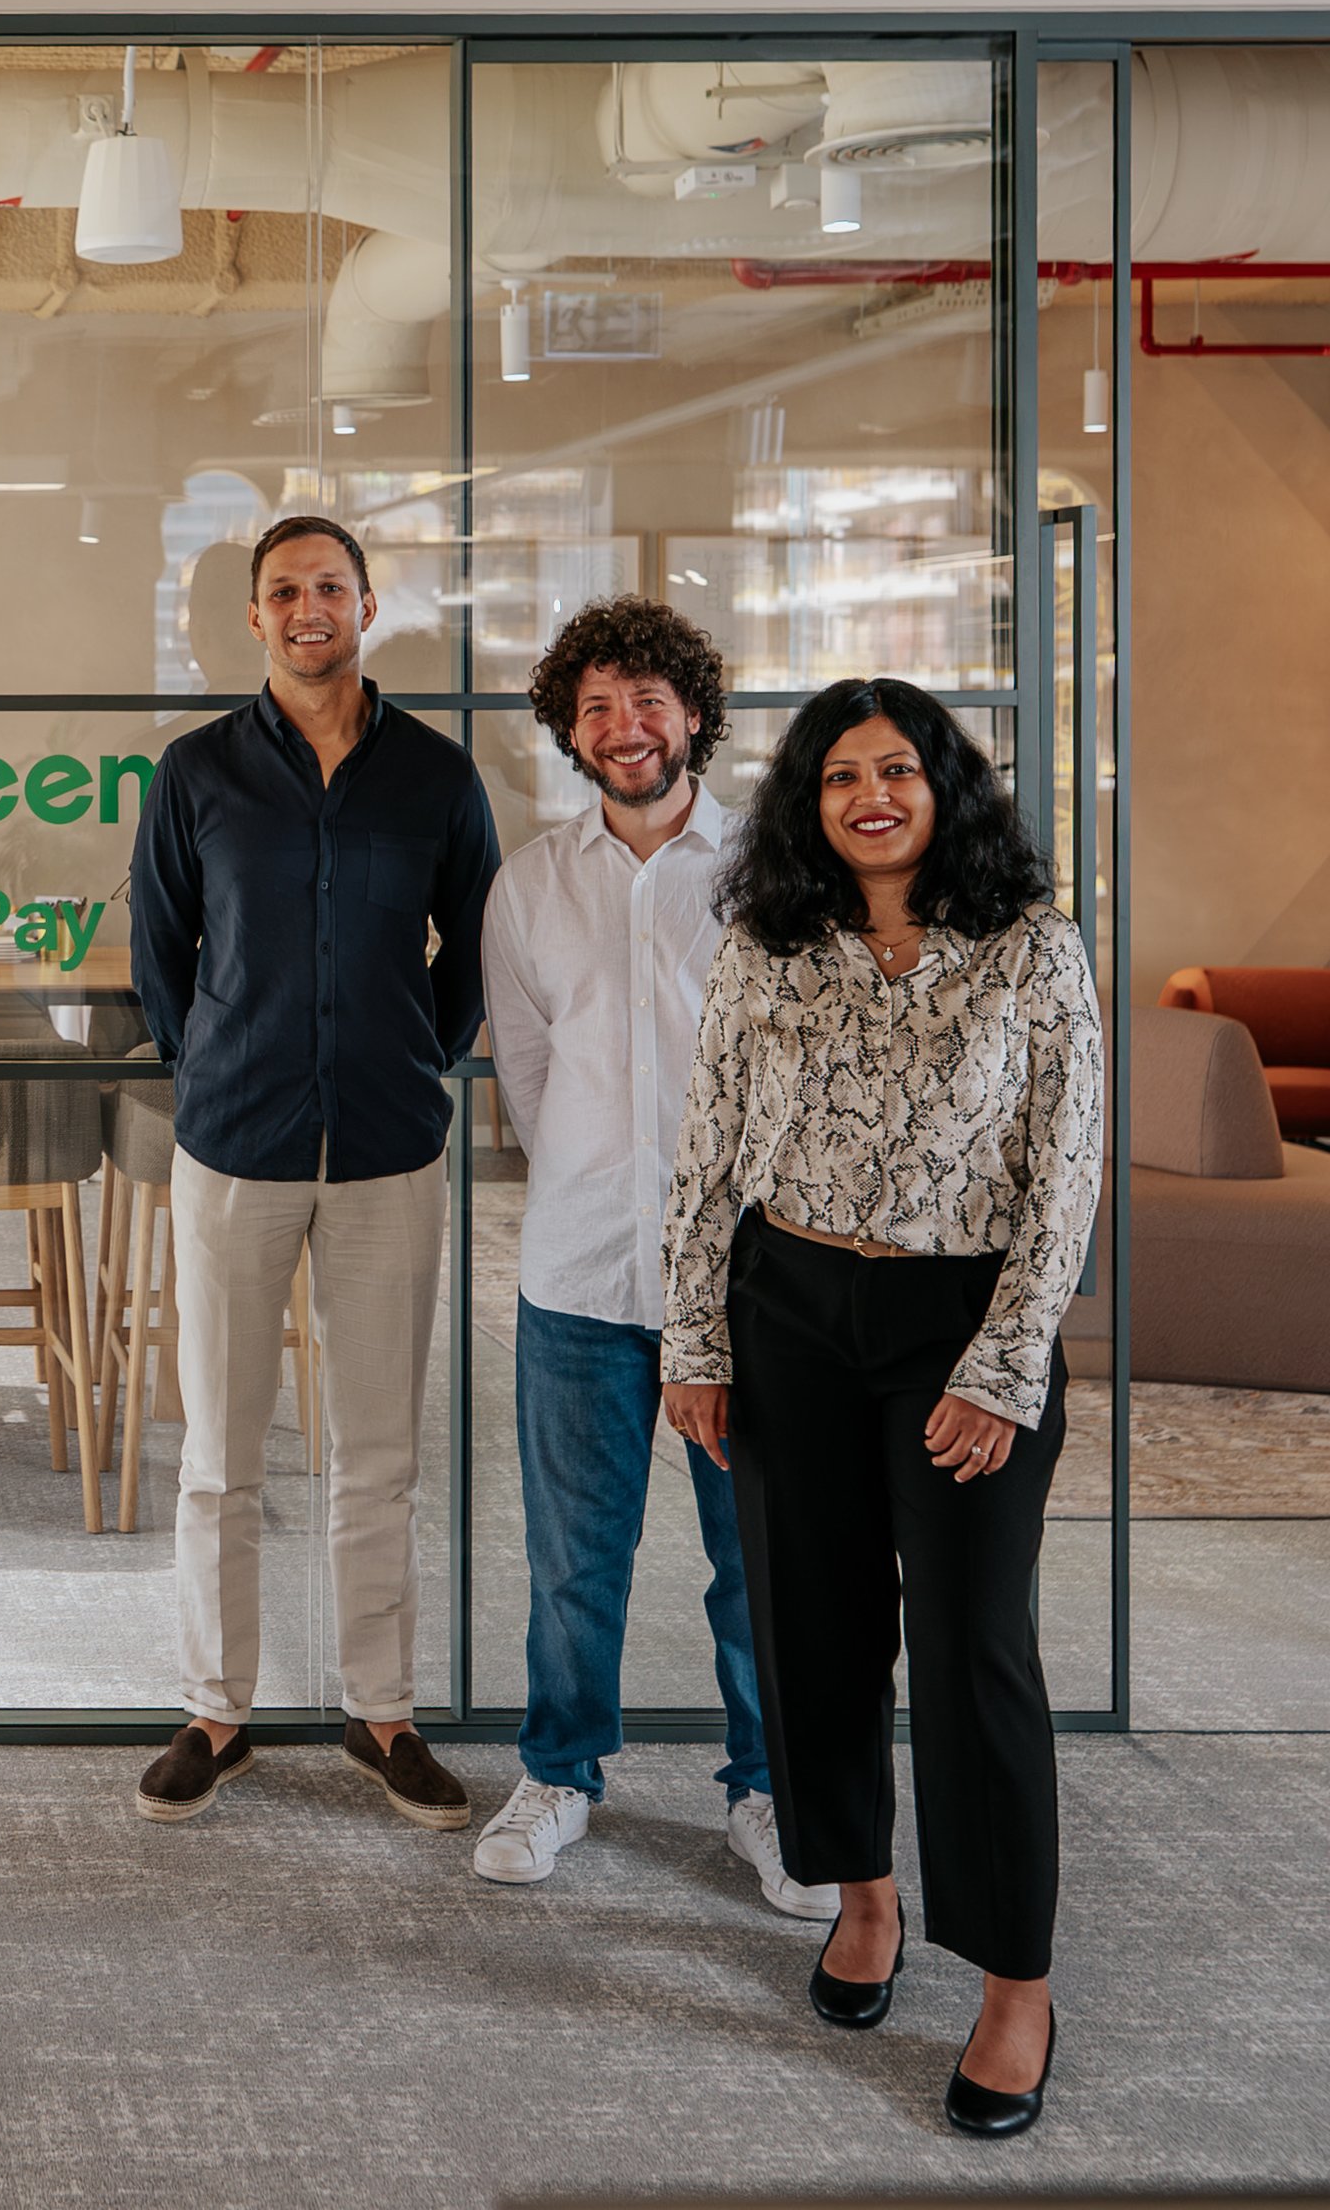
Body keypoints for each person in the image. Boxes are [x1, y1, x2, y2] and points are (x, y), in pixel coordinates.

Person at [657, 678, 1104, 2142]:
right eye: (840, 773)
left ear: (944, 786)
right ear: (808, 801)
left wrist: (1003, 1362)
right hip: (790, 1311)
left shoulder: (1032, 951)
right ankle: (861, 1899)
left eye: (898, 768)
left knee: (977, 1649)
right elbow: (708, 1157)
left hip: (958, 1321)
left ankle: (1014, 1983)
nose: (871, 794)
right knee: (812, 1624)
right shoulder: (764, 949)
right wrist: (698, 1340)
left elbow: (1068, 1172)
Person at [125, 514, 501, 1826]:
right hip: (235, 1145)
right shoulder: (197, 775)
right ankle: (216, 1710)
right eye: (284, 590)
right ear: (253, 617)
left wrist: (410, 1056)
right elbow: (160, 956)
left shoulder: (439, 779)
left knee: (377, 1449)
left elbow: (475, 961)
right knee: (222, 1450)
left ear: (366, 605)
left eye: (328, 586)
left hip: (390, 1149)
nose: (307, 607)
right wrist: (221, 1062)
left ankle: (380, 1711)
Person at [471, 598, 824, 1916]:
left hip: (745, 1280)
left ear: (694, 715)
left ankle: (770, 1791)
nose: (627, 727)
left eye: (649, 701)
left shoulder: (773, 874)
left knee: (759, 1557)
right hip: (578, 1273)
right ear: (572, 729)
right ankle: (559, 1774)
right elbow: (528, 1066)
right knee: (574, 1553)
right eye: (598, 706)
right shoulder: (531, 885)